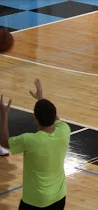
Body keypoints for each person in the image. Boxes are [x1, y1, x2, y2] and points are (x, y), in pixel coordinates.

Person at [1, 79, 71, 210]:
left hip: (35, 201)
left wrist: (4, 115)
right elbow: (55, 117)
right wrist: (41, 98)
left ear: (35, 118)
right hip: (59, 197)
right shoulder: (64, 130)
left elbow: (4, 142)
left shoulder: (30, 140)